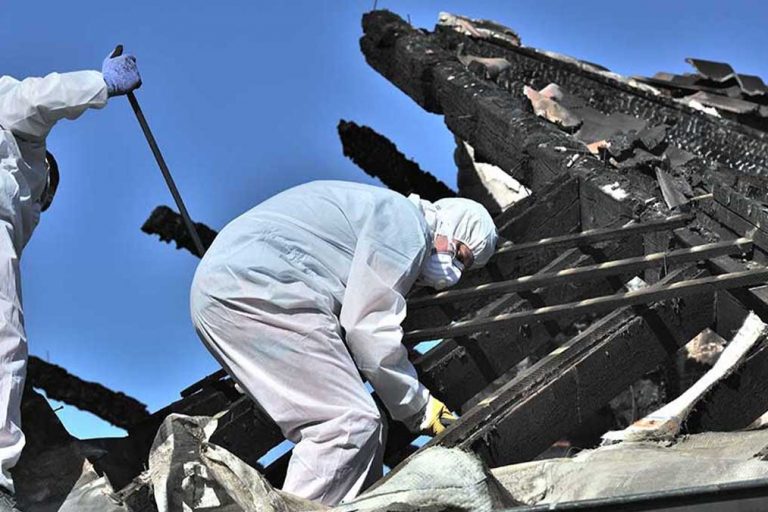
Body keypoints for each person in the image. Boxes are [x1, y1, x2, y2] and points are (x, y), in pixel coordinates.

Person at [190, 181, 498, 505]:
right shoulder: (407, 223)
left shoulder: (376, 208)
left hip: (222, 293)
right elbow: (367, 328)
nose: (456, 273)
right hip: (260, 287)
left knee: (366, 436)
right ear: (451, 226)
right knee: (349, 426)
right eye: (461, 256)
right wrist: (419, 407)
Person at [0, 52, 142, 509]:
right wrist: (100, 84)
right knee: (3, 342)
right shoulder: (19, 136)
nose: (40, 208)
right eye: (44, 197)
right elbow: (37, 98)